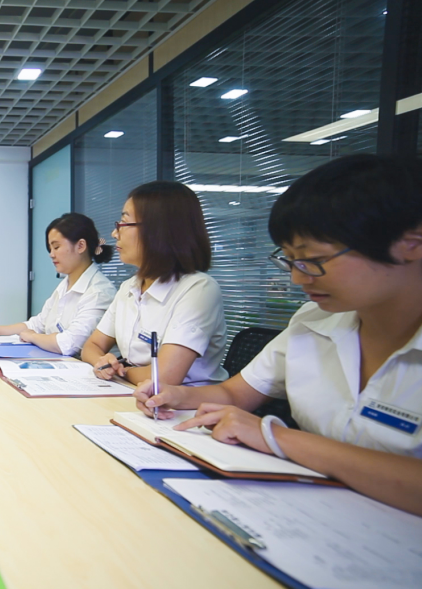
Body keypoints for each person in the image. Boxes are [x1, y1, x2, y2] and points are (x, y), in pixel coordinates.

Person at [135, 155, 422, 515]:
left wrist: (278, 437)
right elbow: (234, 393)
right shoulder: (313, 321)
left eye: (314, 260)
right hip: (310, 512)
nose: (298, 278)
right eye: (289, 260)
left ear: (411, 244)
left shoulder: (200, 288)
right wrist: (177, 395)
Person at [81, 181, 228, 386]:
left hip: (186, 402)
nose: (115, 234)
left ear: (157, 231)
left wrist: (119, 371)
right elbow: (92, 345)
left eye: (123, 223)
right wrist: (102, 362)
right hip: (133, 391)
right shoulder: (129, 287)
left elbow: (164, 377)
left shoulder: (199, 290)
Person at [0, 213, 116, 355]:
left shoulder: (99, 292)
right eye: (50, 248)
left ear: (80, 246)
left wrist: (33, 337)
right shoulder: (65, 284)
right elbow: (38, 324)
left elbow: (68, 343)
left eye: (56, 247)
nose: (51, 254)